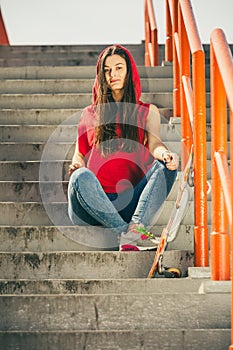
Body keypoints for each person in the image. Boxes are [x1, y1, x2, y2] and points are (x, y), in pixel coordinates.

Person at [68, 45, 179, 251]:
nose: (113, 75)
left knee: (167, 166)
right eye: (107, 70)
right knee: (79, 177)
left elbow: (154, 144)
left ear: (129, 72)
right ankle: (126, 234)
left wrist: (165, 154)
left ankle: (135, 229)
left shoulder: (148, 111)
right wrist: (77, 165)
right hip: (92, 205)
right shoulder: (89, 113)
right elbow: (79, 153)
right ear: (101, 76)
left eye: (119, 68)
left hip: (130, 202)